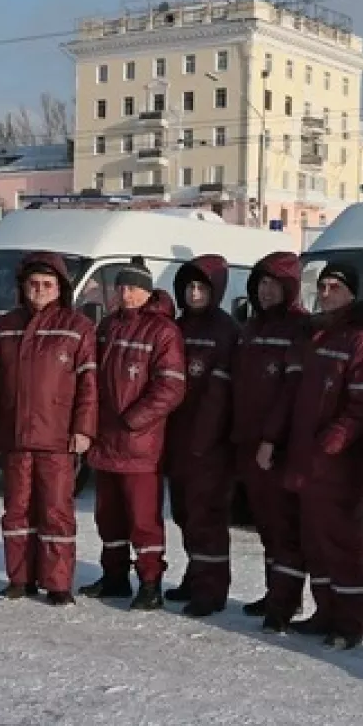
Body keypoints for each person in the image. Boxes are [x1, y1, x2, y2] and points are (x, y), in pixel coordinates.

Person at [259, 262, 363, 644]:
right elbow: (291, 395)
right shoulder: (315, 335)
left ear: (351, 293)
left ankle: (350, 624)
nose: (326, 292)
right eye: (323, 285)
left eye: (335, 287)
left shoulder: (360, 338)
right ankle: (324, 611)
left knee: (342, 543)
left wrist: (332, 442)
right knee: (315, 541)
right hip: (304, 457)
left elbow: (360, 404)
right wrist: (271, 438)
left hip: (338, 462)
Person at [0, 252, 97, 605]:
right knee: (17, 509)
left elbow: (89, 386)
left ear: (60, 288)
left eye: (47, 285)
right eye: (33, 284)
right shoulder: (3, 327)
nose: (40, 290)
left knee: (55, 511)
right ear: (23, 287)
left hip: (58, 437)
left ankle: (58, 582)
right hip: (15, 435)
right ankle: (20, 578)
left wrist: (84, 429)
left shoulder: (77, 327)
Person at [79, 262, 185, 609]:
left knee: (143, 520)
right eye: (122, 287)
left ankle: (150, 582)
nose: (126, 294)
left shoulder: (163, 331)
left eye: (134, 288)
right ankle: (114, 577)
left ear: (147, 291)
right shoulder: (109, 325)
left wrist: (134, 420)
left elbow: (171, 386)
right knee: (108, 516)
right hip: (105, 438)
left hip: (139, 444)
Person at [231, 251, 309, 616]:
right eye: (260, 283)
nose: (265, 291)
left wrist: (272, 439)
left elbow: (291, 394)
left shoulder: (298, 328)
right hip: (248, 440)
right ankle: (273, 591)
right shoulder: (252, 328)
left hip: (277, 447)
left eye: (273, 284)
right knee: (264, 524)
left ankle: (287, 600)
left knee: (284, 527)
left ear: (289, 288)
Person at [161, 254, 238, 618]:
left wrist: (206, 440)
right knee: (184, 514)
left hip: (209, 445)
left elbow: (221, 395)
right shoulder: (178, 327)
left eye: (201, 287)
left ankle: (212, 588)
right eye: (189, 287)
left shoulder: (225, 331)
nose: (194, 294)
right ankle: (195, 575)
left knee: (207, 517)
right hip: (177, 438)